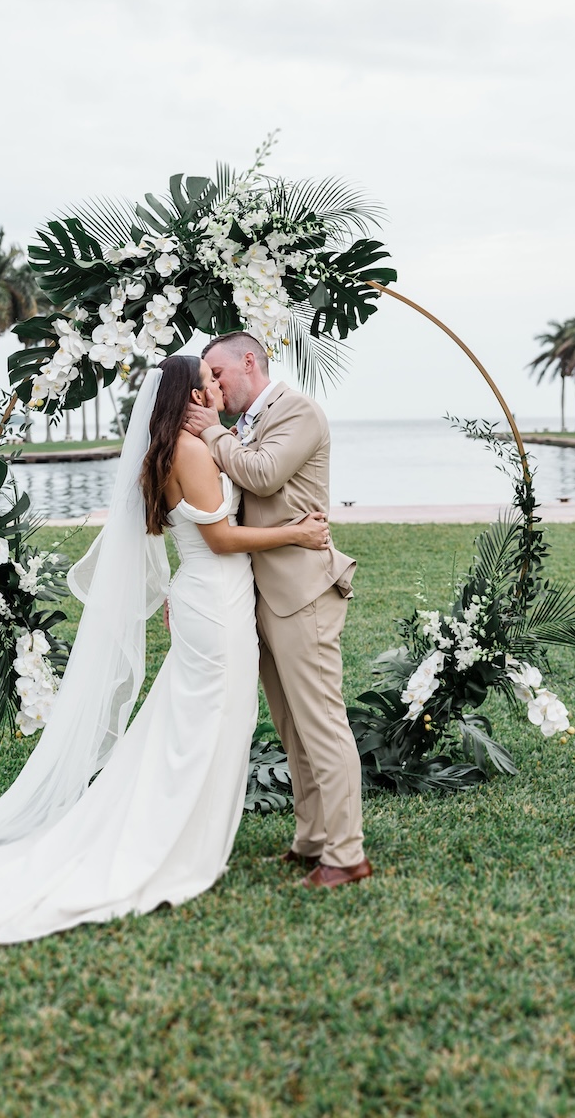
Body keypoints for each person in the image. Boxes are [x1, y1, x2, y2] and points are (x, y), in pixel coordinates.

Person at [0, 357, 329, 943]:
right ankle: (175, 842)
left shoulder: (177, 450)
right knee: (208, 725)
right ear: (183, 397)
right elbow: (220, 537)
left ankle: (184, 830)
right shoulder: (188, 454)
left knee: (191, 723)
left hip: (208, 595)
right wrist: (297, 533)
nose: (215, 390)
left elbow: (187, 527)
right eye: (205, 383)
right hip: (216, 599)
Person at [184, 332, 372, 890]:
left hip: (304, 592)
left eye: (218, 374)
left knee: (322, 726)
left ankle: (347, 854)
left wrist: (213, 432)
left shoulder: (299, 412)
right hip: (259, 595)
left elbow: (262, 474)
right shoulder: (239, 425)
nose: (213, 386)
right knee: (292, 729)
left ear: (250, 361)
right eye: (207, 379)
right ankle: (311, 839)